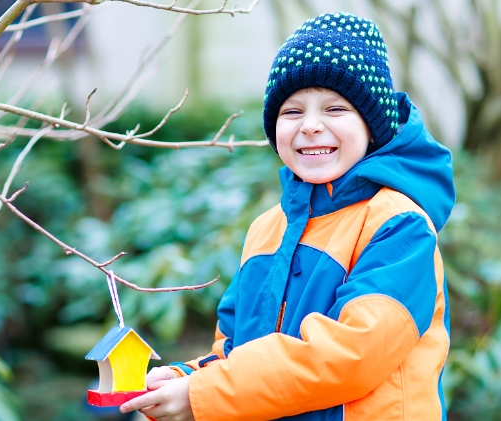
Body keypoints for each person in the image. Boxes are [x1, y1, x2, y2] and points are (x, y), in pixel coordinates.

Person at [120, 11, 456, 421]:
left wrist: (204, 395)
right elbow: (235, 350)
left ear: (373, 128)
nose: (311, 126)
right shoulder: (268, 228)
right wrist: (185, 379)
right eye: (292, 112)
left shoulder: (398, 226)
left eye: (335, 109)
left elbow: (353, 355)